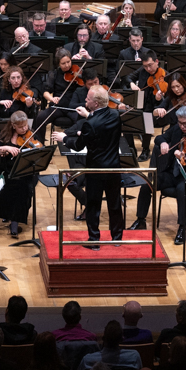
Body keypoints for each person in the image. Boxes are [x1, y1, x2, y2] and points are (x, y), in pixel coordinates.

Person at [53, 85, 123, 249]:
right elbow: (100, 127)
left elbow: (78, 146)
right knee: (114, 204)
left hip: (95, 169)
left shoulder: (89, 124)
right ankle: (117, 238)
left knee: (93, 205)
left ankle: (94, 240)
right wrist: (88, 116)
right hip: (114, 168)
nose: (85, 100)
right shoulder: (115, 115)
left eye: (88, 99)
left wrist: (64, 138)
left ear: (96, 103)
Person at [129, 106, 186, 244]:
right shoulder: (177, 129)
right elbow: (160, 137)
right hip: (173, 173)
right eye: (179, 123)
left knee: (182, 191)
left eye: (185, 124)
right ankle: (141, 220)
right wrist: (164, 142)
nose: (182, 126)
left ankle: (182, 228)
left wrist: (184, 158)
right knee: (147, 184)